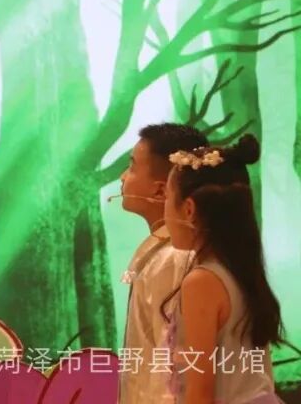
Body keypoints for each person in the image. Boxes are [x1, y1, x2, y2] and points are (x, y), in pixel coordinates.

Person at [162, 134, 284, 404]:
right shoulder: (241, 271)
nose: (164, 211)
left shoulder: (202, 281)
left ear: (189, 209)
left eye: (167, 198)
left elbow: (200, 393)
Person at [117, 123, 209, 403]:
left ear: (160, 191)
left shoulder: (175, 257)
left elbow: (173, 366)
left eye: (132, 167)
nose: (123, 177)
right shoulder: (164, 250)